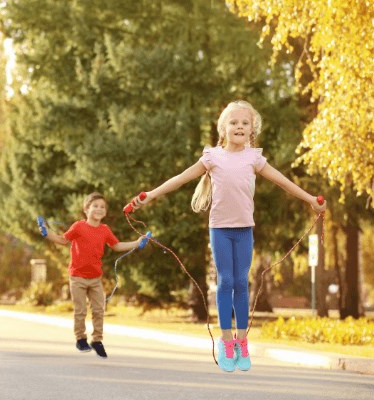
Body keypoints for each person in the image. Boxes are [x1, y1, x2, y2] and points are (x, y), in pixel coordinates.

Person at [127, 100, 326, 372]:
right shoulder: (213, 157)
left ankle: (242, 343)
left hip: (245, 229)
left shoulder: (254, 158)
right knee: (226, 281)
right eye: (233, 122)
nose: (239, 126)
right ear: (223, 129)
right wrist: (150, 195)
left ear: (252, 129)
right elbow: (181, 178)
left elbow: (282, 181)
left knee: (242, 283)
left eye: (245, 123)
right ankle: (226, 341)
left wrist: (310, 199)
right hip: (220, 229)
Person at [41, 192, 144, 358]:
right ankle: (80, 339)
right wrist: (47, 233)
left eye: (102, 207)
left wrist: (137, 243)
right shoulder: (79, 227)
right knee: (80, 310)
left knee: (99, 310)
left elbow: (116, 246)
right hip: (77, 277)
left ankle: (97, 340)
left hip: (95, 278)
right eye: (95, 206)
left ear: (105, 211)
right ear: (86, 209)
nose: (99, 209)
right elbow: (62, 240)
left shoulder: (105, 230)